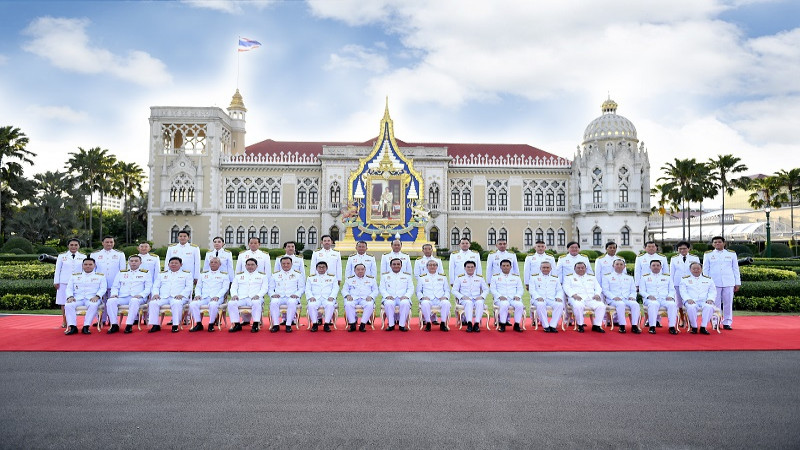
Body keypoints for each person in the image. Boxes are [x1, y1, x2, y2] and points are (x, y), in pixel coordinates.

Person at [106, 255, 152, 334]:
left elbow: (148, 287)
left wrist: (141, 295)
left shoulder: (146, 273)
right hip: (123, 296)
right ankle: (114, 324)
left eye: (136, 261)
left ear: (140, 263)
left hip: (138, 297)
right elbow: (115, 286)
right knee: (110, 301)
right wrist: (114, 294)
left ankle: (129, 325)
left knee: (134, 301)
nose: (133, 263)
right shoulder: (121, 272)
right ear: (128, 262)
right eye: (132, 261)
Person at [703, 236, 741, 330]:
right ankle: (715, 322)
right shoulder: (708, 254)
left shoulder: (731, 254)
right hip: (714, 282)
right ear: (712, 244)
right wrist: (706, 283)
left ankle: (727, 322)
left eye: (719, 242)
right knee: (715, 304)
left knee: (728, 303)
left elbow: (735, 269)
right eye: (715, 242)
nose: (717, 244)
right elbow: (705, 269)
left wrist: (737, 282)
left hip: (729, 281)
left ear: (724, 243)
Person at [148, 257, 193, 333]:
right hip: (163, 297)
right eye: (172, 263)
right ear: (168, 264)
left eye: (176, 263)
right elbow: (156, 286)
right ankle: (155, 325)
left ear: (181, 264)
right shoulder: (162, 274)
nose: (173, 264)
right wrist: (155, 294)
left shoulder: (186, 274)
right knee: (153, 303)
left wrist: (182, 294)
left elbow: (189, 287)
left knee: (176, 303)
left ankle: (175, 325)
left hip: (179, 297)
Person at [63, 258, 107, 335]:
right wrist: (70, 297)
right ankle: (73, 327)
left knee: (93, 305)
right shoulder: (74, 276)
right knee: (68, 305)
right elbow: (69, 288)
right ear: (82, 265)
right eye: (86, 264)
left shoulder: (100, 276)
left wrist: (97, 296)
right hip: (77, 298)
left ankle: (86, 327)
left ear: (94, 265)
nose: (88, 266)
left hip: (92, 298)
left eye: (90, 264)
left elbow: (103, 288)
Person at [189, 256, 230, 332]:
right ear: (209, 264)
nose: (213, 264)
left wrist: (217, 296)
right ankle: (198, 324)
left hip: (217, 297)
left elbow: (225, 288)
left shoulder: (224, 275)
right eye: (211, 262)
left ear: (220, 264)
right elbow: (198, 287)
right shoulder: (203, 275)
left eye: (215, 262)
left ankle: (211, 324)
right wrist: (197, 295)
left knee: (213, 304)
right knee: (193, 304)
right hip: (204, 297)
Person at [90, 235, 126, 324]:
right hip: (99, 283)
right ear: (102, 243)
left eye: (111, 242)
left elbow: (122, 271)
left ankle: (112, 320)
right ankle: (101, 320)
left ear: (114, 243)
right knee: (100, 302)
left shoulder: (120, 254)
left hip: (114, 283)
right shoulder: (95, 254)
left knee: (112, 302)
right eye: (107, 242)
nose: (109, 244)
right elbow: (92, 270)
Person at [228, 258, 269, 333]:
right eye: (248, 265)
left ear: (256, 266)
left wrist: (258, 295)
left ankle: (256, 324)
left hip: (255, 297)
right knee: (231, 303)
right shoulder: (239, 276)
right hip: (241, 298)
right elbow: (233, 287)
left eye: (252, 265)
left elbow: (264, 288)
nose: (250, 266)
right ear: (245, 266)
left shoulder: (262, 276)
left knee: (256, 303)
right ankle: (236, 324)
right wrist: (234, 295)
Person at [601, 258, 641, 334]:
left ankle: (634, 325)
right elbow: (605, 290)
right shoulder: (607, 277)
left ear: (624, 266)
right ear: (613, 266)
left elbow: (633, 290)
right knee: (620, 304)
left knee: (635, 304)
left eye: (621, 264)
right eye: (617, 264)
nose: (619, 266)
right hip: (613, 299)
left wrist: (632, 296)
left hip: (627, 298)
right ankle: (622, 325)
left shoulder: (629, 278)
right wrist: (613, 297)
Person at [563, 262, 605, 333]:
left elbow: (598, 287)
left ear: (586, 269)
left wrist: (597, 294)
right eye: (578, 268)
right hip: (576, 298)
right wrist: (574, 295)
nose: (581, 269)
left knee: (601, 306)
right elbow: (566, 287)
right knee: (578, 305)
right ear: (574, 269)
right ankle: (580, 325)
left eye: (582, 268)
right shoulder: (569, 277)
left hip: (590, 298)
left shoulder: (591, 277)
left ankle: (596, 325)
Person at [639, 260, 678, 335]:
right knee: (654, 304)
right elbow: (642, 291)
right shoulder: (645, 277)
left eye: (657, 265)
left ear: (661, 267)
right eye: (653, 265)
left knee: (672, 304)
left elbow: (672, 289)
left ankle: (672, 327)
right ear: (650, 267)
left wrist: (670, 296)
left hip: (665, 298)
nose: (656, 267)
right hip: (650, 299)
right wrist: (648, 296)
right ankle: (652, 327)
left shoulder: (667, 277)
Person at [54, 238, 86, 328]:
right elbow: (57, 270)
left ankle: (73, 321)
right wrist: (56, 281)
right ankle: (64, 321)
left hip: (78, 283)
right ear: (68, 246)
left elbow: (86, 270)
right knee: (63, 302)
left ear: (79, 246)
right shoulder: (62, 256)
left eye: (76, 245)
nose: (73, 247)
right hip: (64, 282)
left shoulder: (83, 257)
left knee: (75, 302)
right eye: (71, 245)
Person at [268, 256, 305, 333]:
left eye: (288, 263)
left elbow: (302, 288)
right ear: (280, 264)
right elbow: (270, 288)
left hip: (292, 296)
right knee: (274, 302)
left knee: (292, 302)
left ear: (291, 264)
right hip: (279, 296)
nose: (286, 265)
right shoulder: (275, 275)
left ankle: (288, 325)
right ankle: (276, 325)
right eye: (283, 263)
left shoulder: (298, 274)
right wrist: (273, 294)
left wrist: (297, 294)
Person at [680, 262, 717, 335]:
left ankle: (703, 327)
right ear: (690, 269)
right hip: (691, 300)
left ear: (701, 269)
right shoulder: (684, 279)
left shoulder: (708, 279)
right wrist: (688, 299)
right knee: (691, 307)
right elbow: (683, 291)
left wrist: (710, 299)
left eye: (698, 268)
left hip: (704, 300)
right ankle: (694, 327)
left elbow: (713, 291)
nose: (696, 270)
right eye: (694, 269)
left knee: (709, 306)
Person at [452, 260, 489, 333]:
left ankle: (476, 324)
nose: (470, 268)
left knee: (480, 303)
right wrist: (462, 296)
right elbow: (454, 290)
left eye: (472, 267)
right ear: (465, 268)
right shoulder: (460, 278)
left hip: (477, 298)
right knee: (468, 303)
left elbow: (486, 289)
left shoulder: (480, 278)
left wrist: (482, 296)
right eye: (468, 267)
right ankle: (469, 323)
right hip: (465, 299)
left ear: (475, 268)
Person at [528, 261, 564, 333]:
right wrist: (538, 297)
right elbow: (532, 290)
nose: (545, 269)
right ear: (540, 268)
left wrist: (558, 297)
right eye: (544, 267)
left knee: (559, 304)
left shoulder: (555, 278)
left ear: (551, 268)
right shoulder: (534, 277)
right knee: (540, 304)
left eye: (547, 267)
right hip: (538, 299)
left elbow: (559, 290)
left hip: (551, 299)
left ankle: (553, 325)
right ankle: (546, 326)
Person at [341, 263, 379, 332]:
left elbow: (375, 290)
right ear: (354, 271)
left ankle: (363, 324)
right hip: (353, 298)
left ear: (365, 270)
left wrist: (371, 296)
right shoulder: (349, 279)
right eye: (358, 269)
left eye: (362, 269)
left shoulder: (371, 279)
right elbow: (344, 290)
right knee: (348, 304)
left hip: (366, 298)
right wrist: (347, 295)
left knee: (370, 304)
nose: (360, 271)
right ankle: (352, 324)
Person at [490, 259, 524, 332]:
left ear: (511, 267)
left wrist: (518, 295)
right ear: (500, 267)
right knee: (504, 304)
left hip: (513, 298)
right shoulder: (495, 277)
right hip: (500, 299)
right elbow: (492, 289)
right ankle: (502, 324)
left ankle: (517, 324)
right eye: (504, 266)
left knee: (520, 305)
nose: (505, 267)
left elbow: (520, 289)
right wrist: (499, 296)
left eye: (507, 266)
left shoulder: (516, 277)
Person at [379, 258, 414, 331]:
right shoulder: (385, 276)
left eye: (398, 264)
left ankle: (402, 325)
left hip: (402, 297)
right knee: (388, 303)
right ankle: (391, 325)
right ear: (390, 266)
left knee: (405, 303)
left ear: (401, 266)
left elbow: (410, 288)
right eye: (394, 264)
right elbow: (382, 288)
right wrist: (387, 296)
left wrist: (406, 296)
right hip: (390, 297)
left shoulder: (407, 276)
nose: (396, 266)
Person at [417, 260, 450, 332]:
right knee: (425, 303)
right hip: (428, 299)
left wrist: (445, 297)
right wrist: (422, 297)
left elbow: (447, 290)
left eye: (434, 265)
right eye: (430, 265)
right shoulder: (422, 277)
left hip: (440, 299)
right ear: (427, 267)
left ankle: (443, 323)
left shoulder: (443, 277)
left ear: (437, 267)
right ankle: (428, 322)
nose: (432, 267)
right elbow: (418, 291)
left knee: (446, 303)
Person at [305, 261, 339, 332]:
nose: (321, 269)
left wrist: (332, 297)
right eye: (319, 267)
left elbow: (335, 288)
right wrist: (311, 297)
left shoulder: (332, 277)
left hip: (327, 298)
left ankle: (326, 324)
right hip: (315, 298)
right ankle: (315, 324)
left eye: (323, 267)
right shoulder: (311, 278)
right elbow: (307, 289)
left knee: (330, 305)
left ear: (326, 268)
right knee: (311, 305)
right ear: (316, 268)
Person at [669, 241, 700, 311]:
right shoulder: (674, 259)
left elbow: (698, 271)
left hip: (691, 283)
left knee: (691, 301)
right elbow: (672, 272)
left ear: (689, 249)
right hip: (678, 283)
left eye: (684, 248)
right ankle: (681, 320)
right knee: (678, 303)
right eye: (680, 249)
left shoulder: (695, 258)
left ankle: (690, 319)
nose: (682, 250)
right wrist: (671, 284)